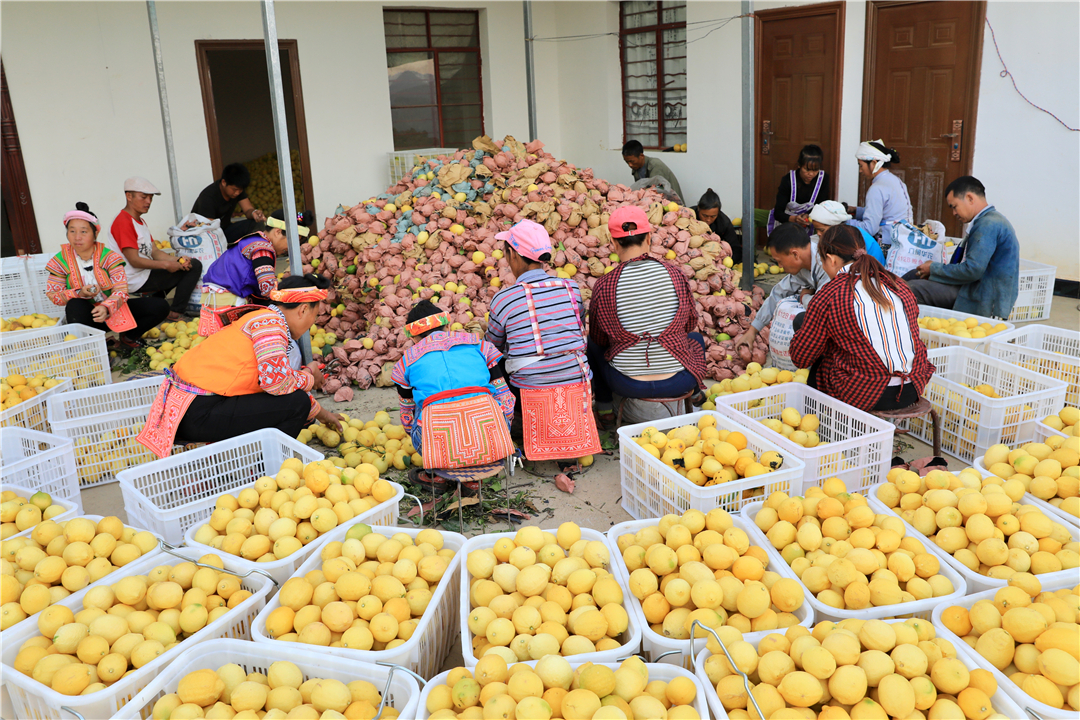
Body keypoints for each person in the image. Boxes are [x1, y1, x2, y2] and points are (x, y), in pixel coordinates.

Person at [136, 274, 343, 458]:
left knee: (294, 398)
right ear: (303, 309)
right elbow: (277, 383)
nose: (312, 324)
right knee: (297, 403)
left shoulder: (261, 318)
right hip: (197, 413)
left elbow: (274, 383)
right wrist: (309, 377)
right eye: (314, 316)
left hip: (185, 410)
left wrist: (324, 416)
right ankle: (267, 468)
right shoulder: (270, 324)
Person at [485, 219, 601, 463]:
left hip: (529, 387)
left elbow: (492, 347)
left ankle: (512, 425)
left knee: (491, 366)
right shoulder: (571, 288)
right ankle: (571, 433)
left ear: (514, 255)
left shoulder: (504, 298)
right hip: (577, 383)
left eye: (506, 253)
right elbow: (577, 327)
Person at [789, 224, 934, 412]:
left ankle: (823, 424)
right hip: (912, 387)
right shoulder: (897, 284)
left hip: (867, 393)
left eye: (822, 261)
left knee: (815, 344)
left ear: (832, 260)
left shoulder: (832, 293)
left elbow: (801, 358)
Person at [587, 205, 706, 424]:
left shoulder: (604, 285)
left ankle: (604, 409)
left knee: (593, 345)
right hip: (678, 381)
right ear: (649, 238)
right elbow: (689, 324)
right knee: (696, 338)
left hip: (627, 383)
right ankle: (696, 392)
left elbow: (599, 338)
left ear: (612, 242)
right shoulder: (675, 275)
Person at [391, 300, 515, 470]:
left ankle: (441, 468)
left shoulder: (405, 363)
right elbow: (506, 398)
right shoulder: (480, 346)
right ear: (447, 326)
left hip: (439, 448)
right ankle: (484, 454)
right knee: (488, 395)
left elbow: (407, 419)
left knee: (421, 403)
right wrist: (502, 425)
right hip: (491, 438)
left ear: (413, 337)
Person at [45, 203, 169, 349]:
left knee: (159, 306)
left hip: (114, 311)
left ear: (95, 234)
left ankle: (129, 336)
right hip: (86, 318)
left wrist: (106, 307)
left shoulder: (110, 258)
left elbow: (121, 291)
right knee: (74, 304)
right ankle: (93, 348)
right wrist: (79, 292)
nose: (77, 237)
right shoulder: (60, 261)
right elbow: (54, 296)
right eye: (72, 231)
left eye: (84, 232)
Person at [904, 176, 1019, 319]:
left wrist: (934, 268)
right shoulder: (988, 220)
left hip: (981, 297)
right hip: (973, 286)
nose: (954, 213)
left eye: (954, 206)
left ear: (970, 198)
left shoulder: (988, 224)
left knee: (912, 289)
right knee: (913, 275)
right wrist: (933, 271)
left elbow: (972, 270)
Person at [198, 209, 314, 336]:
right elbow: (267, 288)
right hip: (227, 306)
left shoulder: (252, 240)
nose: (292, 248)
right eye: (291, 241)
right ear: (278, 232)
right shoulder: (262, 249)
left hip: (214, 303)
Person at [105, 176, 202, 322]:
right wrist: (167, 265)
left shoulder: (140, 221)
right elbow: (134, 260)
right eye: (143, 197)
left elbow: (155, 251)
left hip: (143, 274)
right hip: (132, 279)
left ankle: (156, 300)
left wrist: (177, 260)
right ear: (129, 196)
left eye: (150, 198)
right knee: (194, 267)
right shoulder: (123, 221)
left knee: (188, 265)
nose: (148, 202)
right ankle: (175, 312)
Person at [733, 223, 829, 353]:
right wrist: (753, 330)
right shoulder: (801, 264)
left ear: (795, 254)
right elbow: (778, 293)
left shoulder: (827, 262)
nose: (780, 266)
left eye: (779, 261)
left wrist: (805, 297)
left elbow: (822, 308)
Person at [843, 140, 912, 246]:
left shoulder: (877, 188)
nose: (860, 170)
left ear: (874, 163)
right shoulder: (896, 181)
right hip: (904, 239)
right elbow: (886, 212)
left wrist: (843, 222)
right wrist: (855, 210)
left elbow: (869, 228)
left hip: (888, 244)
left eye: (861, 165)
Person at [190, 163, 267, 244]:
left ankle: (256, 252)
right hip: (206, 235)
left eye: (240, 190)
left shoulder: (238, 190)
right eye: (234, 189)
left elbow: (248, 209)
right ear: (223, 182)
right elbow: (207, 226)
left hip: (225, 230)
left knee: (255, 224)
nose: (237, 193)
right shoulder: (208, 196)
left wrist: (254, 213)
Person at [767, 145, 830, 236]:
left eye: (815, 170)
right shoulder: (788, 180)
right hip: (787, 220)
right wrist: (795, 219)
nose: (811, 174)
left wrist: (807, 216)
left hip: (810, 220)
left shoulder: (823, 179)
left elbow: (821, 206)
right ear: (799, 165)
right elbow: (778, 212)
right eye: (807, 169)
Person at [809, 200, 886, 265]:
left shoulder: (850, 237)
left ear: (835, 226)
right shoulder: (844, 232)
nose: (818, 233)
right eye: (816, 230)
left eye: (822, 230)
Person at [693, 188, 742, 264]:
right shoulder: (689, 215)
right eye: (704, 215)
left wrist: (723, 263)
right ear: (698, 208)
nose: (708, 220)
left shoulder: (724, 222)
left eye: (713, 216)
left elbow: (735, 248)